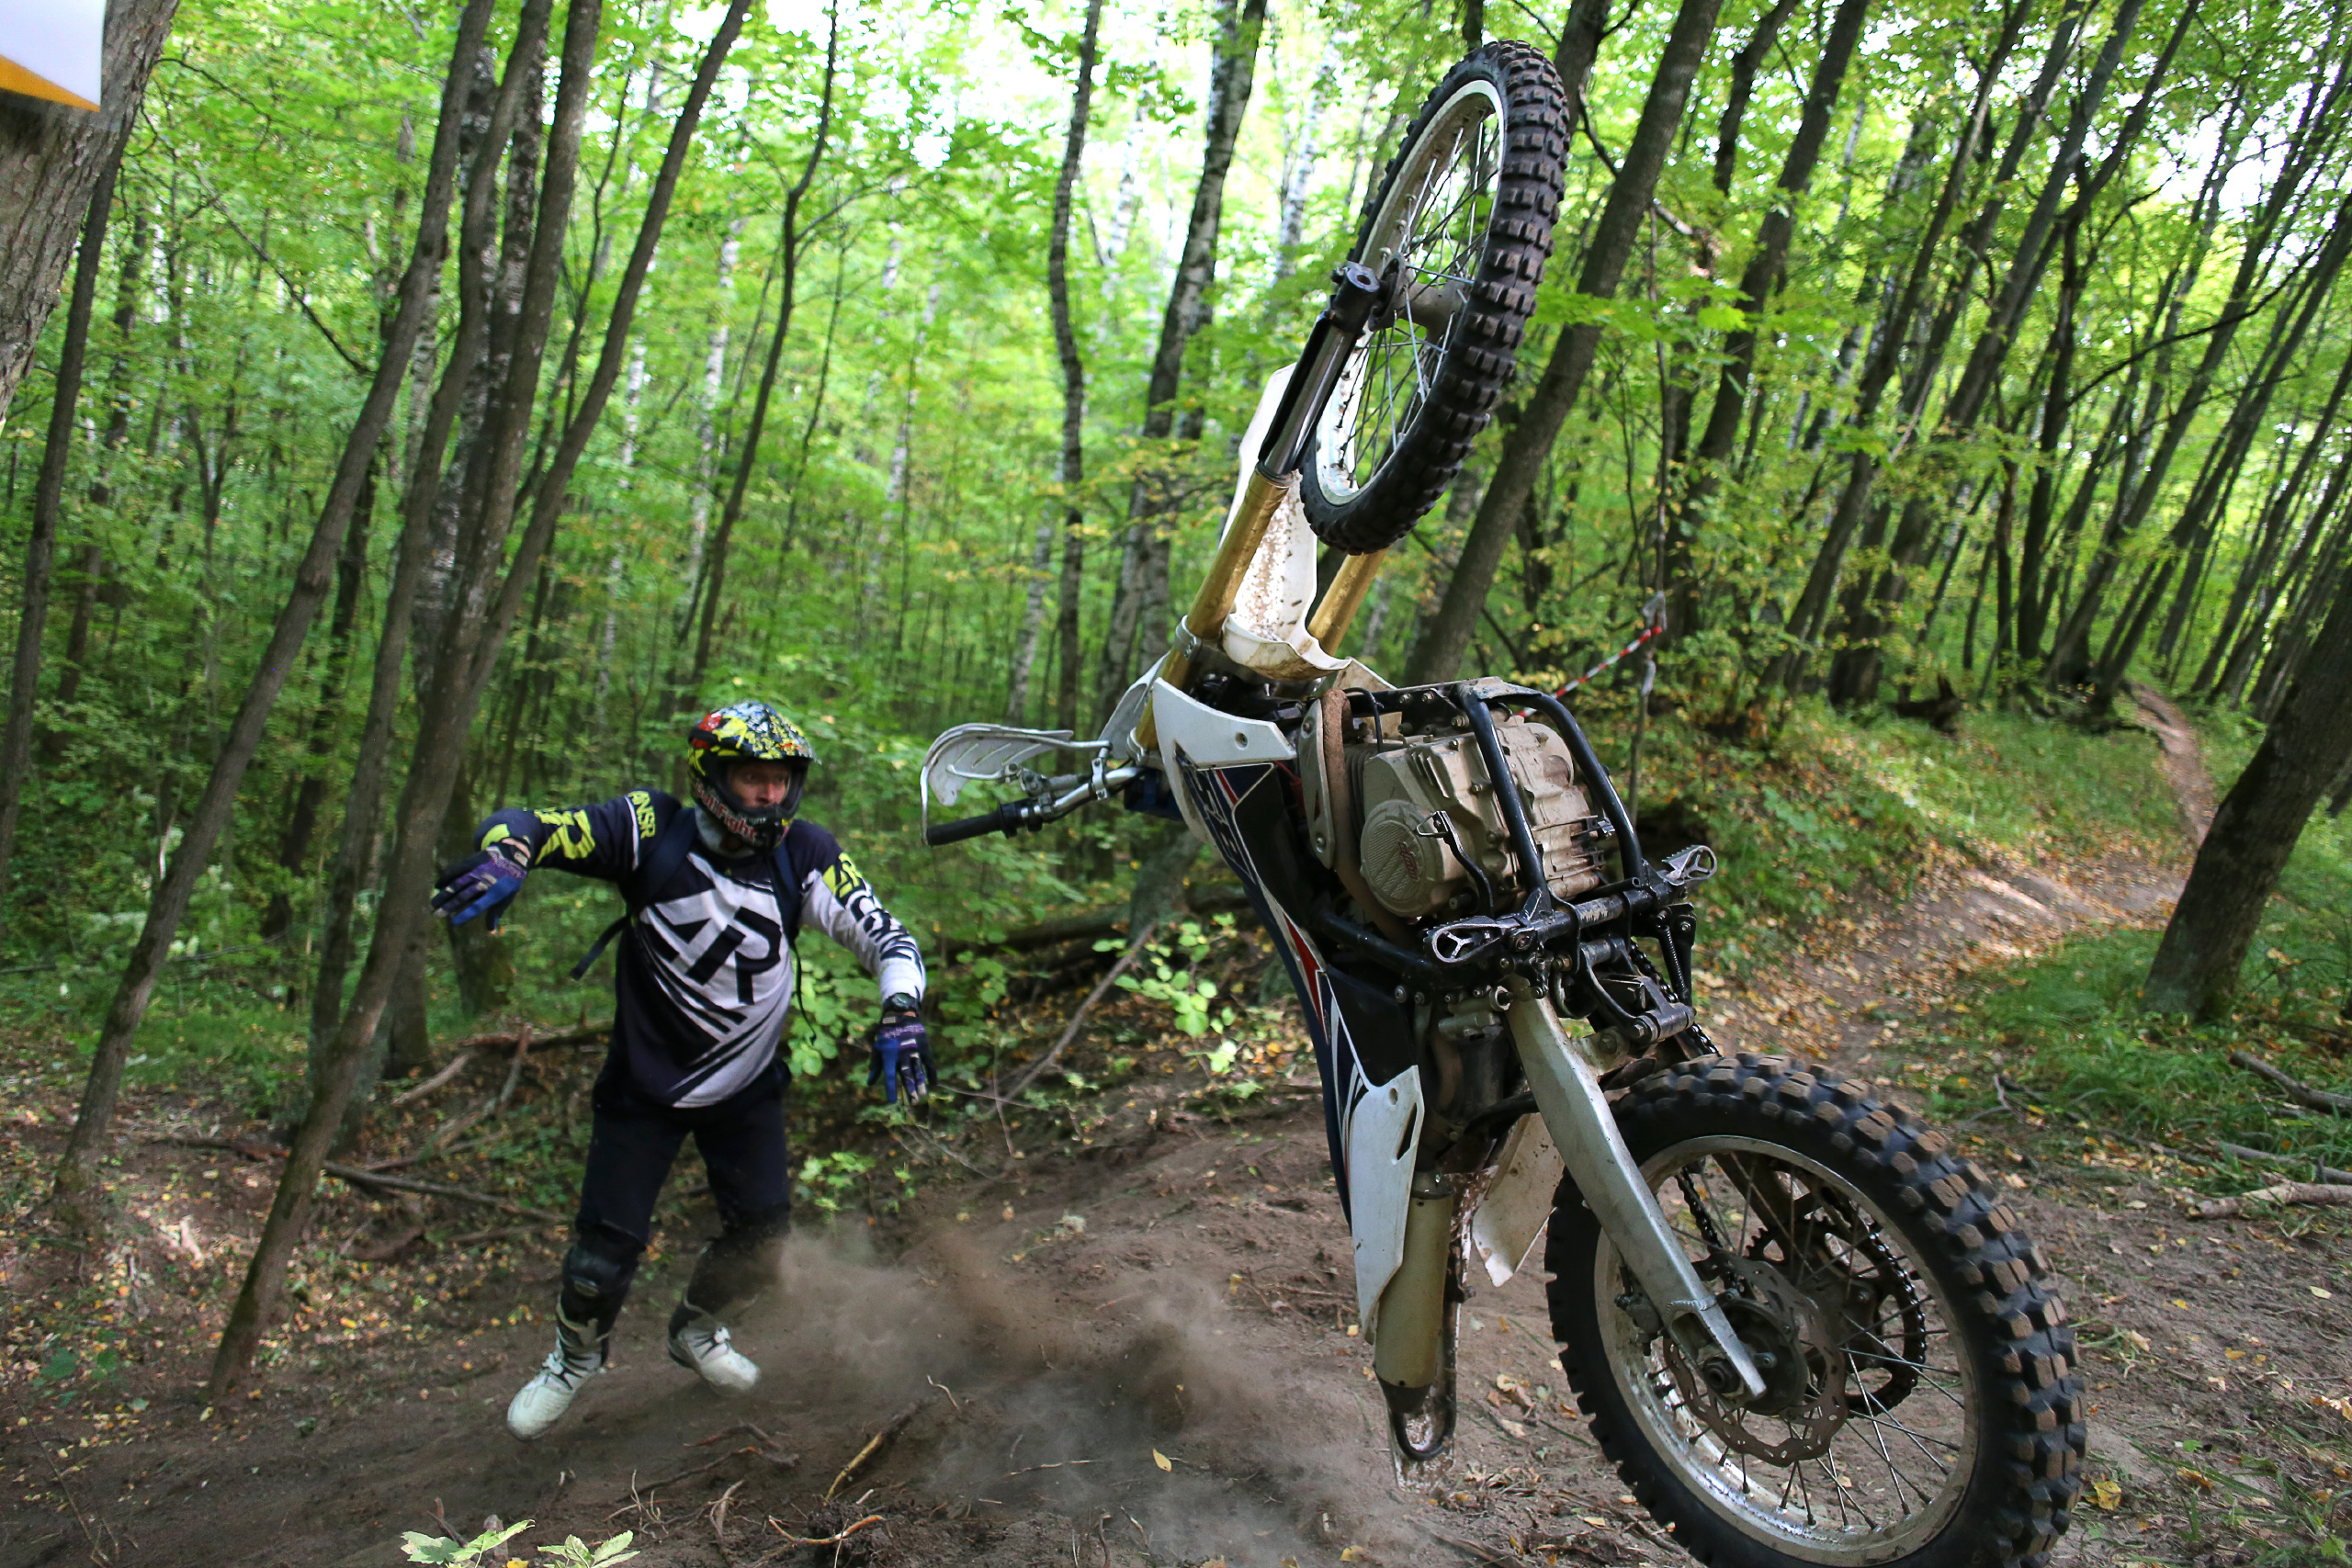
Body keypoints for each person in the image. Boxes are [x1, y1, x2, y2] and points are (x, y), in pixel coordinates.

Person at [430, 699, 933, 1441]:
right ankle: (573, 1358)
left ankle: (696, 1332)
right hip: (645, 1085)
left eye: (781, 780)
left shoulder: (806, 852)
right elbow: (529, 821)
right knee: (600, 1260)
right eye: (752, 778)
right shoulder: (648, 828)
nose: (769, 795)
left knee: (762, 1242)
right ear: (709, 778)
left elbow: (888, 935)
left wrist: (901, 1010)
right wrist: (509, 854)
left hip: (748, 1090)